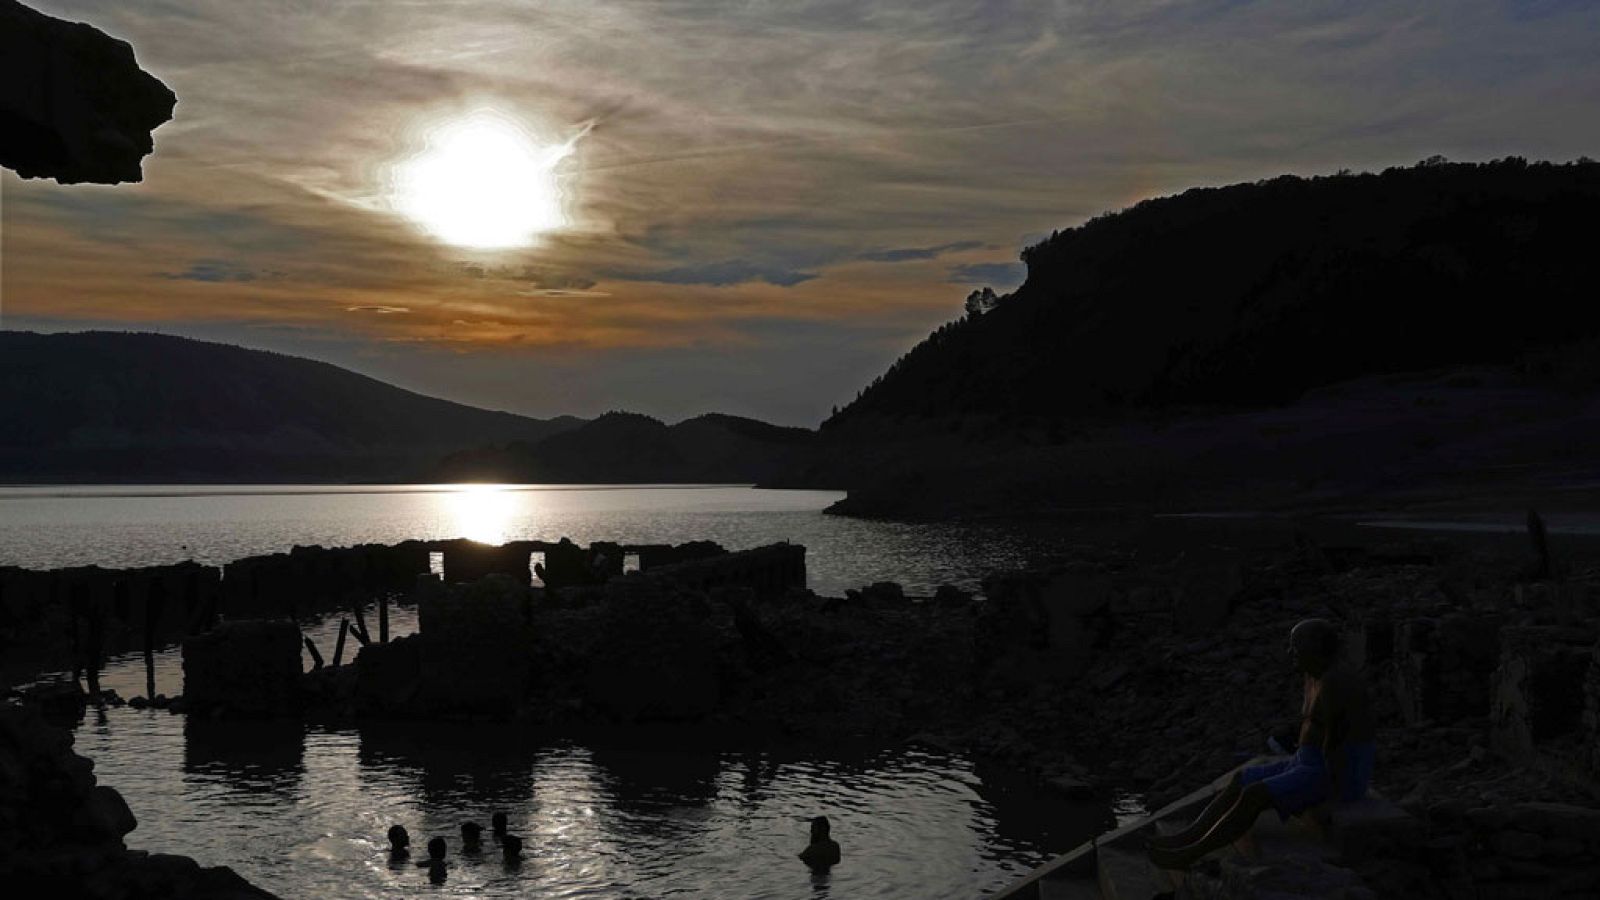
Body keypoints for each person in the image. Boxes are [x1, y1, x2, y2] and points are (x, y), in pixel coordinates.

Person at [1148, 618, 1375, 870]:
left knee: (1254, 794)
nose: (1290, 652)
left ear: (1314, 648)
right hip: (1306, 759)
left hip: (1333, 771)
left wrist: (1333, 794)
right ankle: (1186, 837)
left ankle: (1191, 853)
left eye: (1295, 647)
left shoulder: (1336, 681)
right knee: (1241, 779)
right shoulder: (1312, 674)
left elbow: (1338, 742)